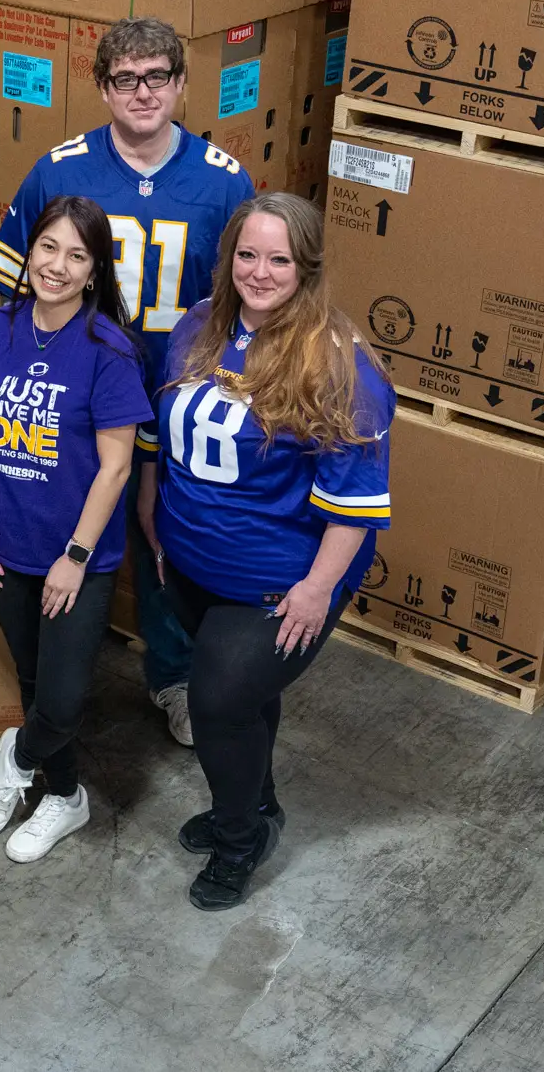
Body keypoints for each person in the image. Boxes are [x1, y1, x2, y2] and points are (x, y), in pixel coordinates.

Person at [0, 15, 255, 750]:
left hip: (176, 392)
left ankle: (173, 676)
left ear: (181, 84)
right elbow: (10, 284)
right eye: (126, 78)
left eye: (157, 76)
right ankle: (58, 665)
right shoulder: (60, 169)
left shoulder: (224, 181)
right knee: (62, 510)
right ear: (103, 87)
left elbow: (244, 299)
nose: (143, 92)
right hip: (72, 391)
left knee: (166, 534)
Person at [139, 193, 392, 911]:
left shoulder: (341, 366)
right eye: (247, 254)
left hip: (280, 582)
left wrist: (316, 590)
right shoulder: (198, 324)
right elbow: (163, 433)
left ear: (306, 268)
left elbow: (357, 502)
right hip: (190, 559)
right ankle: (255, 803)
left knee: (219, 699)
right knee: (244, 700)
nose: (259, 271)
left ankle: (239, 836)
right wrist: (152, 516)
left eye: (278, 259)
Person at [0, 196, 151, 862]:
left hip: (78, 556)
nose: (57, 265)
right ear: (28, 251)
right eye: (47, 248)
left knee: (61, 700)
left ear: (95, 270)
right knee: (36, 681)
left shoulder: (109, 349)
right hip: (6, 546)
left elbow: (117, 466)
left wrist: (75, 555)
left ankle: (17, 757)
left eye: (76, 254)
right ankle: (64, 795)